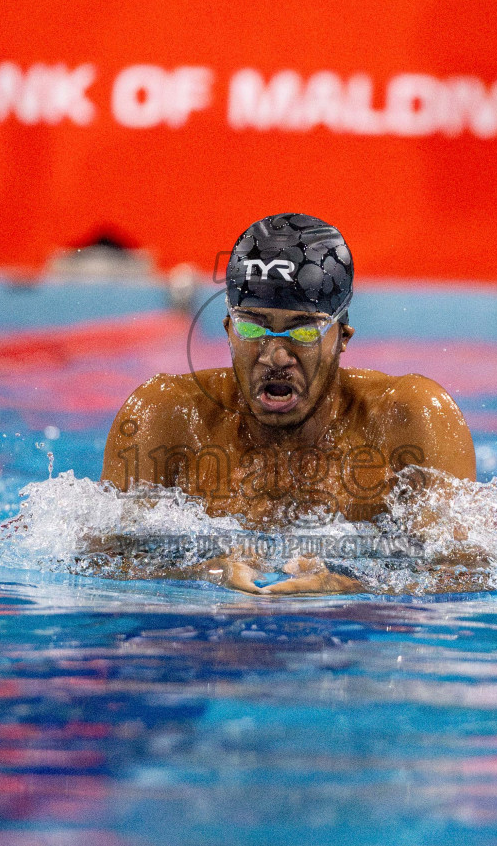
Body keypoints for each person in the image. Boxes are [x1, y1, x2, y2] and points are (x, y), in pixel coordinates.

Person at [100, 213, 477, 595]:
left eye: (303, 330)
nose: (275, 355)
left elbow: (470, 572)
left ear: (342, 337)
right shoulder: (167, 415)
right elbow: (95, 559)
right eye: (252, 326)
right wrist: (199, 575)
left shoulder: (409, 418)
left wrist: (348, 588)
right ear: (229, 330)